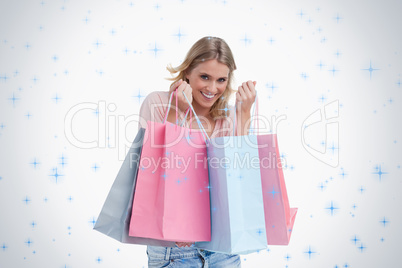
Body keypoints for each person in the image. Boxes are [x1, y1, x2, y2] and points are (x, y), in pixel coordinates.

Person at [138, 36, 256, 267]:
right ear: (187, 72)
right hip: (175, 250)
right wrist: (177, 111)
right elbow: (155, 170)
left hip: (223, 247)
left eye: (221, 80)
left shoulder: (227, 116)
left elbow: (238, 178)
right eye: (205, 77)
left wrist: (244, 114)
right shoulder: (158, 103)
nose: (213, 88)